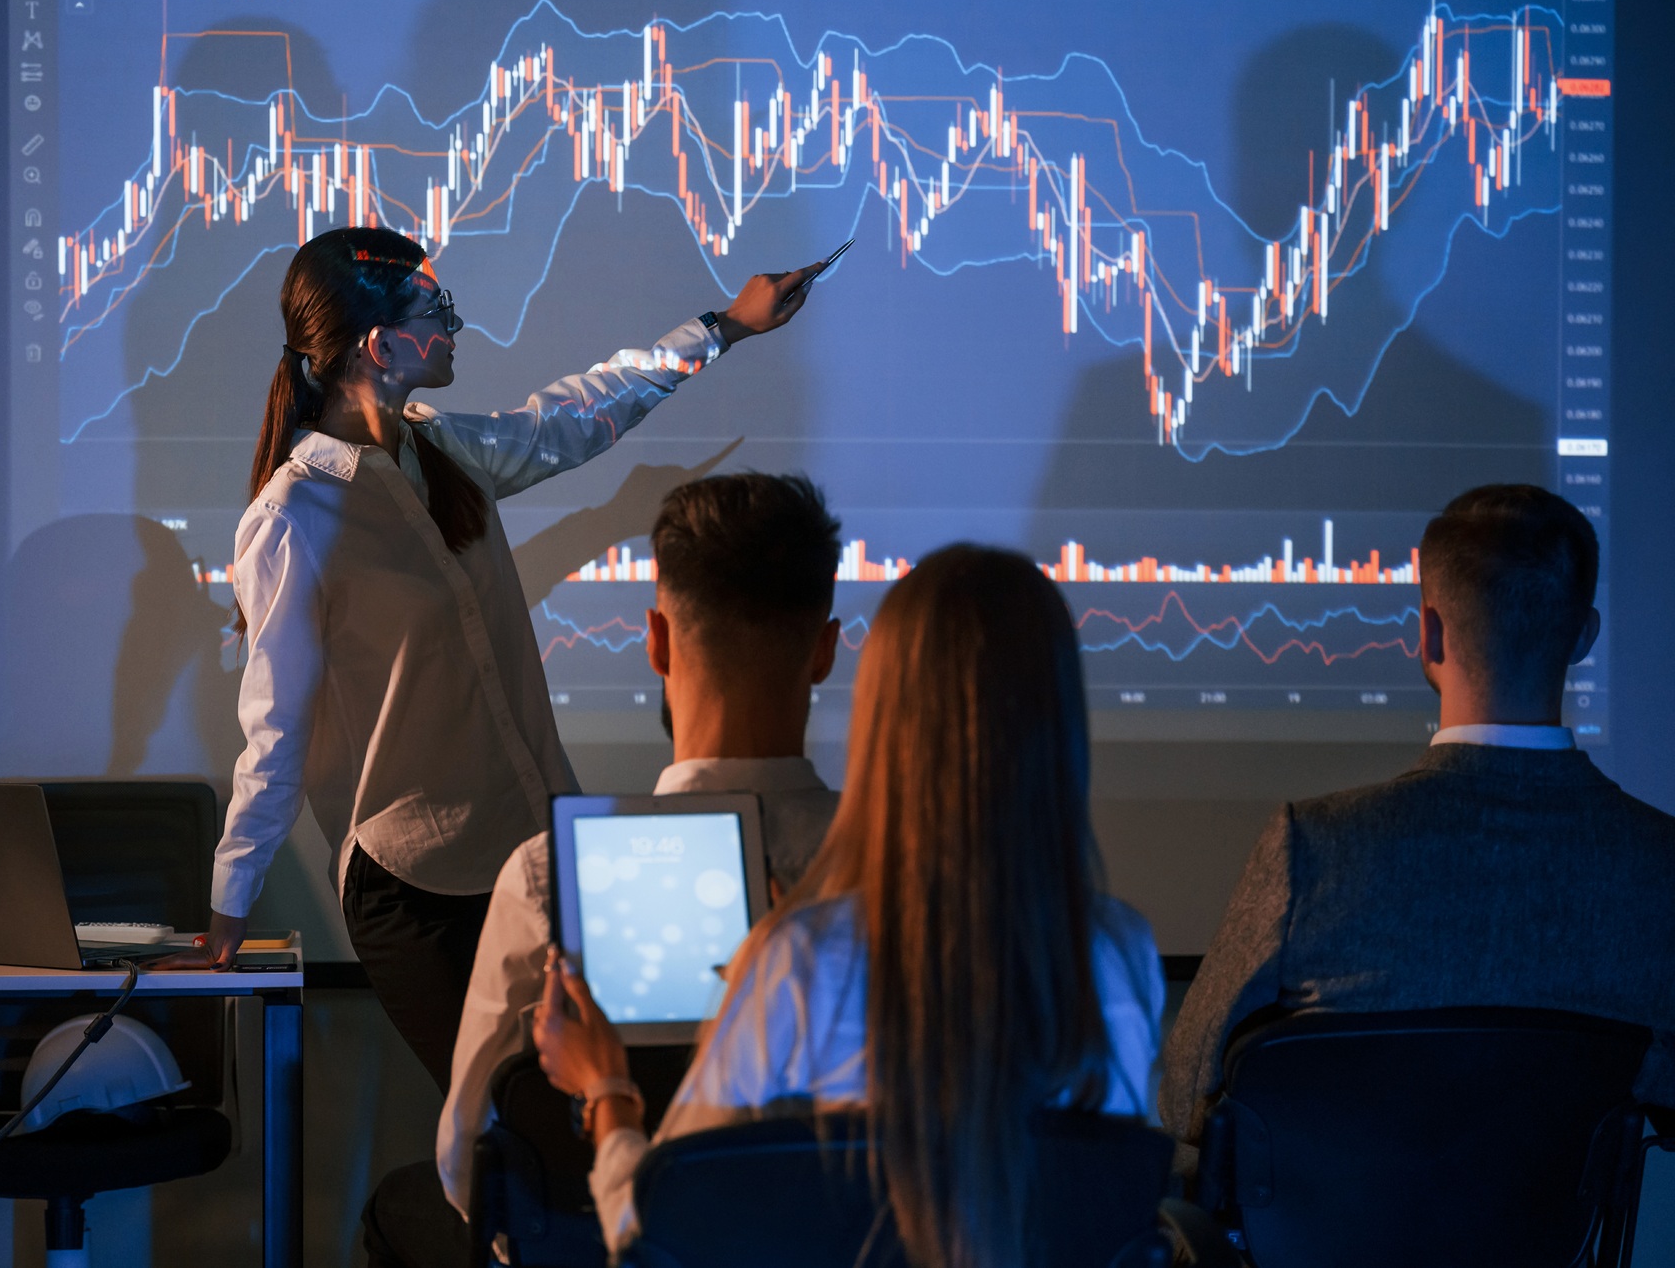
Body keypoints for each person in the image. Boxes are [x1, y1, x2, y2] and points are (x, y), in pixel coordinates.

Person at [157, 227, 825, 1099]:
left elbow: (573, 417)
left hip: (534, 850)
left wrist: (723, 326)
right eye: (436, 310)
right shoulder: (296, 516)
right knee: (508, 1130)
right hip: (413, 884)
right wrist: (229, 904)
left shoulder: (440, 451)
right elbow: (274, 731)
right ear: (381, 344)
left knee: (599, 1112)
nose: (455, 325)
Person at [535, 545, 1166, 1263]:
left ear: (883, 721)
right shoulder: (1123, 954)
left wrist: (608, 1088)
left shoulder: (802, 963)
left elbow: (655, 1239)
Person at [357, 472, 847, 1266]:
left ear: (655, 641)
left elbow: (468, 1167)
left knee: (404, 1208)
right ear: (824, 650)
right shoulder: (911, 869)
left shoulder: (552, 875)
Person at [1159, 484, 1675, 1144]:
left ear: (1428, 633)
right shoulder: (1659, 866)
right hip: (1551, 1244)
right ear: (1583, 637)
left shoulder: (1313, 848)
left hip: (1331, 1244)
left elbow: (1185, 1093)